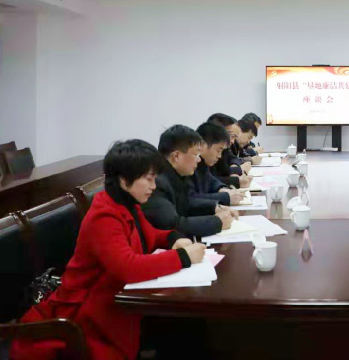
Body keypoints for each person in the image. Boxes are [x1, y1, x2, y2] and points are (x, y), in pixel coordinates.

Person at [11, 140, 208, 360]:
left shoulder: (127, 204)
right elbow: (128, 268)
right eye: (149, 179)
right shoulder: (104, 216)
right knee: (184, 333)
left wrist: (174, 239)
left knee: (188, 330)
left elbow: (149, 236)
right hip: (86, 317)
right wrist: (183, 258)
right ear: (124, 180)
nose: (154, 186)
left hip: (114, 302)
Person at [143, 125, 238, 238]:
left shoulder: (177, 175)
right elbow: (173, 224)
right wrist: (217, 222)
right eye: (196, 154)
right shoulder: (157, 182)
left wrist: (214, 207)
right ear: (176, 156)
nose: (199, 159)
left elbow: (187, 203)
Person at [190, 122, 245, 205]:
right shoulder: (190, 165)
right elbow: (190, 199)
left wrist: (222, 189)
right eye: (218, 151)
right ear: (202, 145)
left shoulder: (203, 163)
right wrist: (225, 197)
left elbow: (211, 181)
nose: (219, 156)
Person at [206, 113, 253, 188]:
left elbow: (233, 158)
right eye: (232, 136)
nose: (232, 141)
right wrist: (236, 177)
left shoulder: (224, 149)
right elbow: (208, 181)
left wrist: (234, 167)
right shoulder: (204, 153)